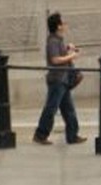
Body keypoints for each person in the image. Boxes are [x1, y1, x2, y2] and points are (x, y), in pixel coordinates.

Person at [33, 12, 86, 146]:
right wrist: (72, 56)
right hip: (57, 80)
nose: (66, 25)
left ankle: (72, 135)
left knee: (68, 109)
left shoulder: (58, 40)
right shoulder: (53, 41)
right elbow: (55, 60)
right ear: (58, 26)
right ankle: (40, 135)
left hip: (63, 79)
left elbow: (60, 56)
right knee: (51, 108)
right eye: (63, 23)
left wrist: (68, 50)